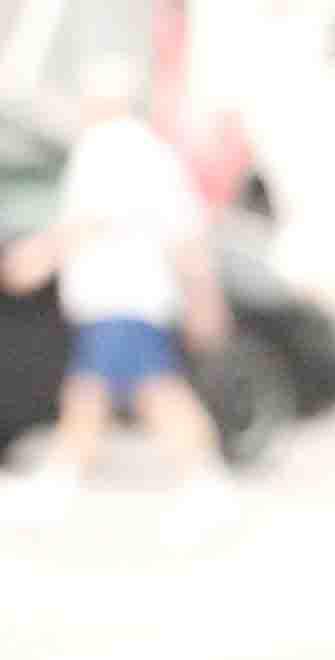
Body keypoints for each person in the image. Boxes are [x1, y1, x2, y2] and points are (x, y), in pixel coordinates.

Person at [0, 57, 235, 530]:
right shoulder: (154, 152)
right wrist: (202, 298)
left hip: (118, 296)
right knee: (96, 394)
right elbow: (186, 234)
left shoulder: (105, 149)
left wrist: (38, 257)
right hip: (137, 298)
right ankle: (59, 484)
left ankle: (206, 484)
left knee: (149, 393)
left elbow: (89, 220)